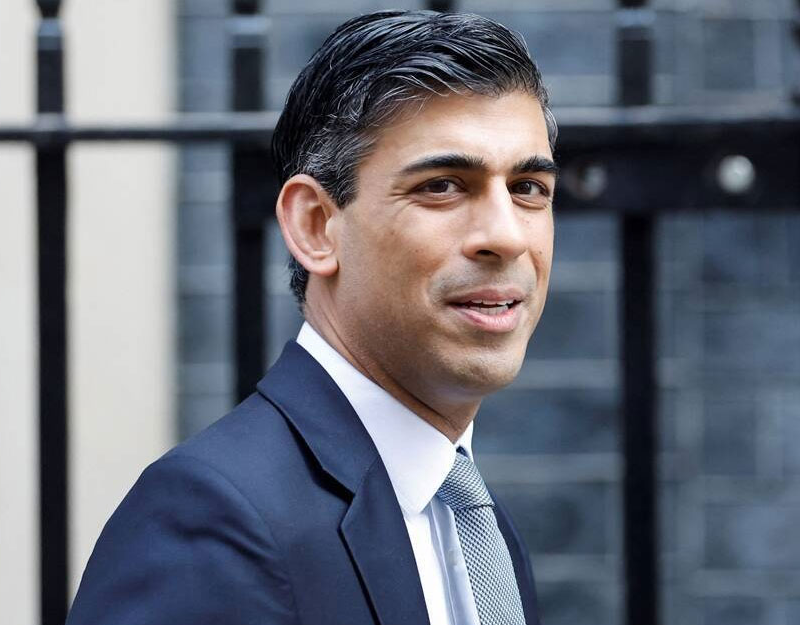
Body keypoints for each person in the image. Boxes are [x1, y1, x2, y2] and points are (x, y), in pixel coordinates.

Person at [66, 9, 557, 625]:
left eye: (528, 188)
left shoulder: (477, 524)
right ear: (315, 226)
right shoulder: (213, 517)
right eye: (442, 186)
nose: (506, 237)